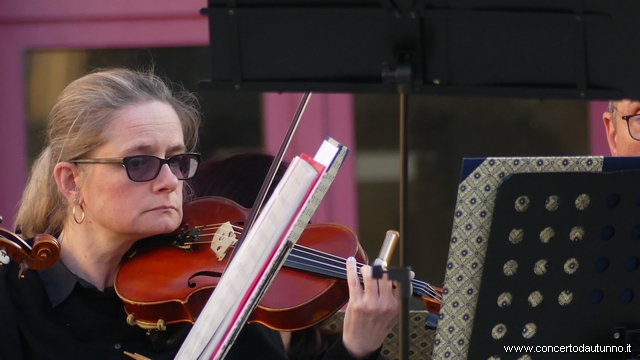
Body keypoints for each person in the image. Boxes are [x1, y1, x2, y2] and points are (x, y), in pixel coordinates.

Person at [0, 67, 399, 360]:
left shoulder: (210, 295)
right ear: (71, 182)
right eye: (139, 163)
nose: (170, 181)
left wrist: (355, 350)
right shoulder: (13, 296)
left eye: (176, 160)